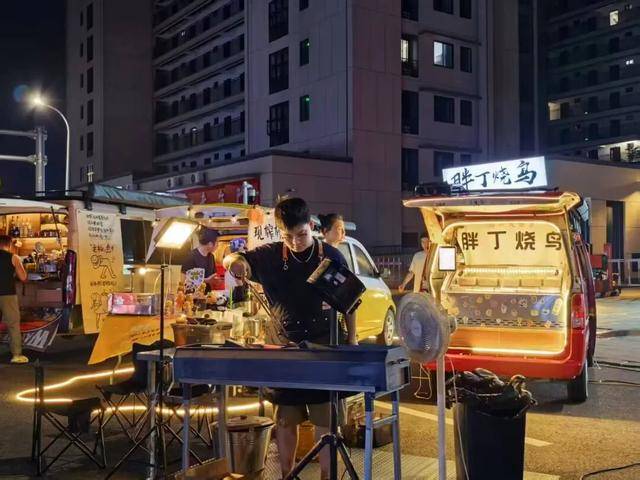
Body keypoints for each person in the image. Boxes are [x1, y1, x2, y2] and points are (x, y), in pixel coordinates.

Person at [224, 198, 357, 480]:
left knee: (326, 422)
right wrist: (236, 265)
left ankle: (327, 475)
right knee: (285, 420)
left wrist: (353, 341)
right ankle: (288, 474)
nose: (295, 242)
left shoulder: (331, 256)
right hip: (284, 347)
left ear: (311, 226)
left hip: (324, 348)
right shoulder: (270, 255)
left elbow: (350, 303)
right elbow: (234, 258)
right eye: (288, 236)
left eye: (301, 235)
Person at [0, 235, 28, 364]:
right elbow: (23, 277)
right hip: (8, 294)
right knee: (13, 324)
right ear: (10, 244)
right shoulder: (13, 257)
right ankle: (16, 355)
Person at [181, 228, 219, 293]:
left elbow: (213, 277)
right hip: (193, 296)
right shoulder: (191, 257)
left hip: (207, 295)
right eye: (217, 242)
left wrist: (217, 280)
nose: (218, 245)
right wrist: (206, 280)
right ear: (210, 244)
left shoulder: (211, 257)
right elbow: (183, 280)